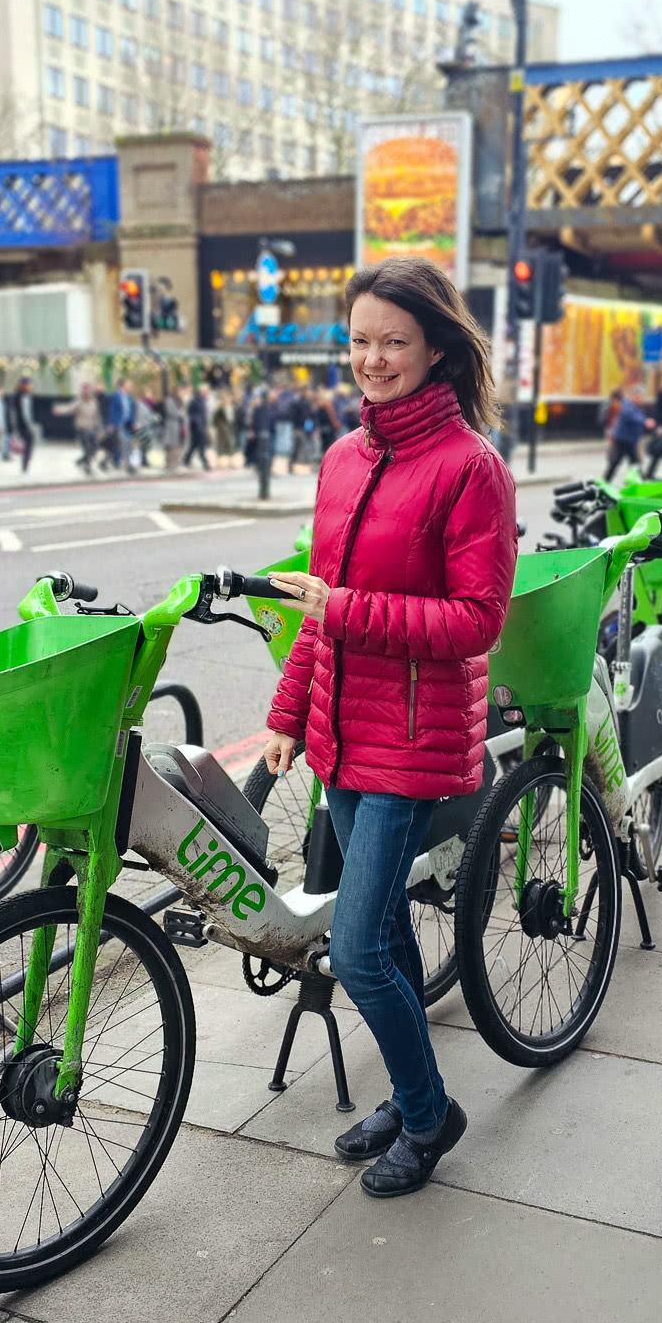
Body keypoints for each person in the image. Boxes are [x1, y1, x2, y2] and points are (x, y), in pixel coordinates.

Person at [260, 255, 515, 1198]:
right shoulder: (342, 458)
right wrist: (290, 711)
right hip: (340, 737)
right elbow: (315, 609)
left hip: (413, 741)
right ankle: (420, 1097)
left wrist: (346, 611)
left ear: (438, 347)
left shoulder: (471, 469)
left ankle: (426, 1116)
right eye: (360, 341)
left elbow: (476, 621)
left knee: (360, 947)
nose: (372, 359)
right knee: (391, 938)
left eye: (393, 342)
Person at [53, 382, 103, 473]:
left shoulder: (94, 402)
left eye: (87, 389)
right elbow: (69, 408)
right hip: (82, 428)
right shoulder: (79, 401)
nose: (86, 392)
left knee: (95, 447)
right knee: (87, 447)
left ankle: (81, 461)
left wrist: (99, 429)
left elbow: (97, 416)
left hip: (92, 428)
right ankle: (87, 467)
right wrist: (59, 410)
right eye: (84, 390)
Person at [602, 382, 646, 482]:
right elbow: (630, 416)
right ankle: (602, 485)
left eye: (642, 396)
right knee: (614, 464)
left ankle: (640, 485)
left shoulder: (636, 406)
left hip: (630, 441)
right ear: (634, 396)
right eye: (640, 396)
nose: (641, 399)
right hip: (621, 441)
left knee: (635, 465)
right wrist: (645, 421)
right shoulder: (627, 404)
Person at [5, 376, 37, 474]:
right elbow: (22, 413)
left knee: (29, 444)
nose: (30, 386)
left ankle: (25, 464)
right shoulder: (20, 396)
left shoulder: (25, 395)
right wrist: (27, 425)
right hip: (22, 425)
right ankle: (25, 465)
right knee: (29, 443)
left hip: (23, 424)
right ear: (23, 385)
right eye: (28, 384)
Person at [185, 384, 212, 469]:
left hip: (201, 427)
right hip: (197, 428)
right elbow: (191, 414)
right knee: (201, 446)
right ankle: (205, 463)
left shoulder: (202, 400)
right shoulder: (195, 400)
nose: (208, 393)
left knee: (194, 445)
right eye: (207, 391)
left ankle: (186, 460)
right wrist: (198, 423)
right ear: (202, 392)